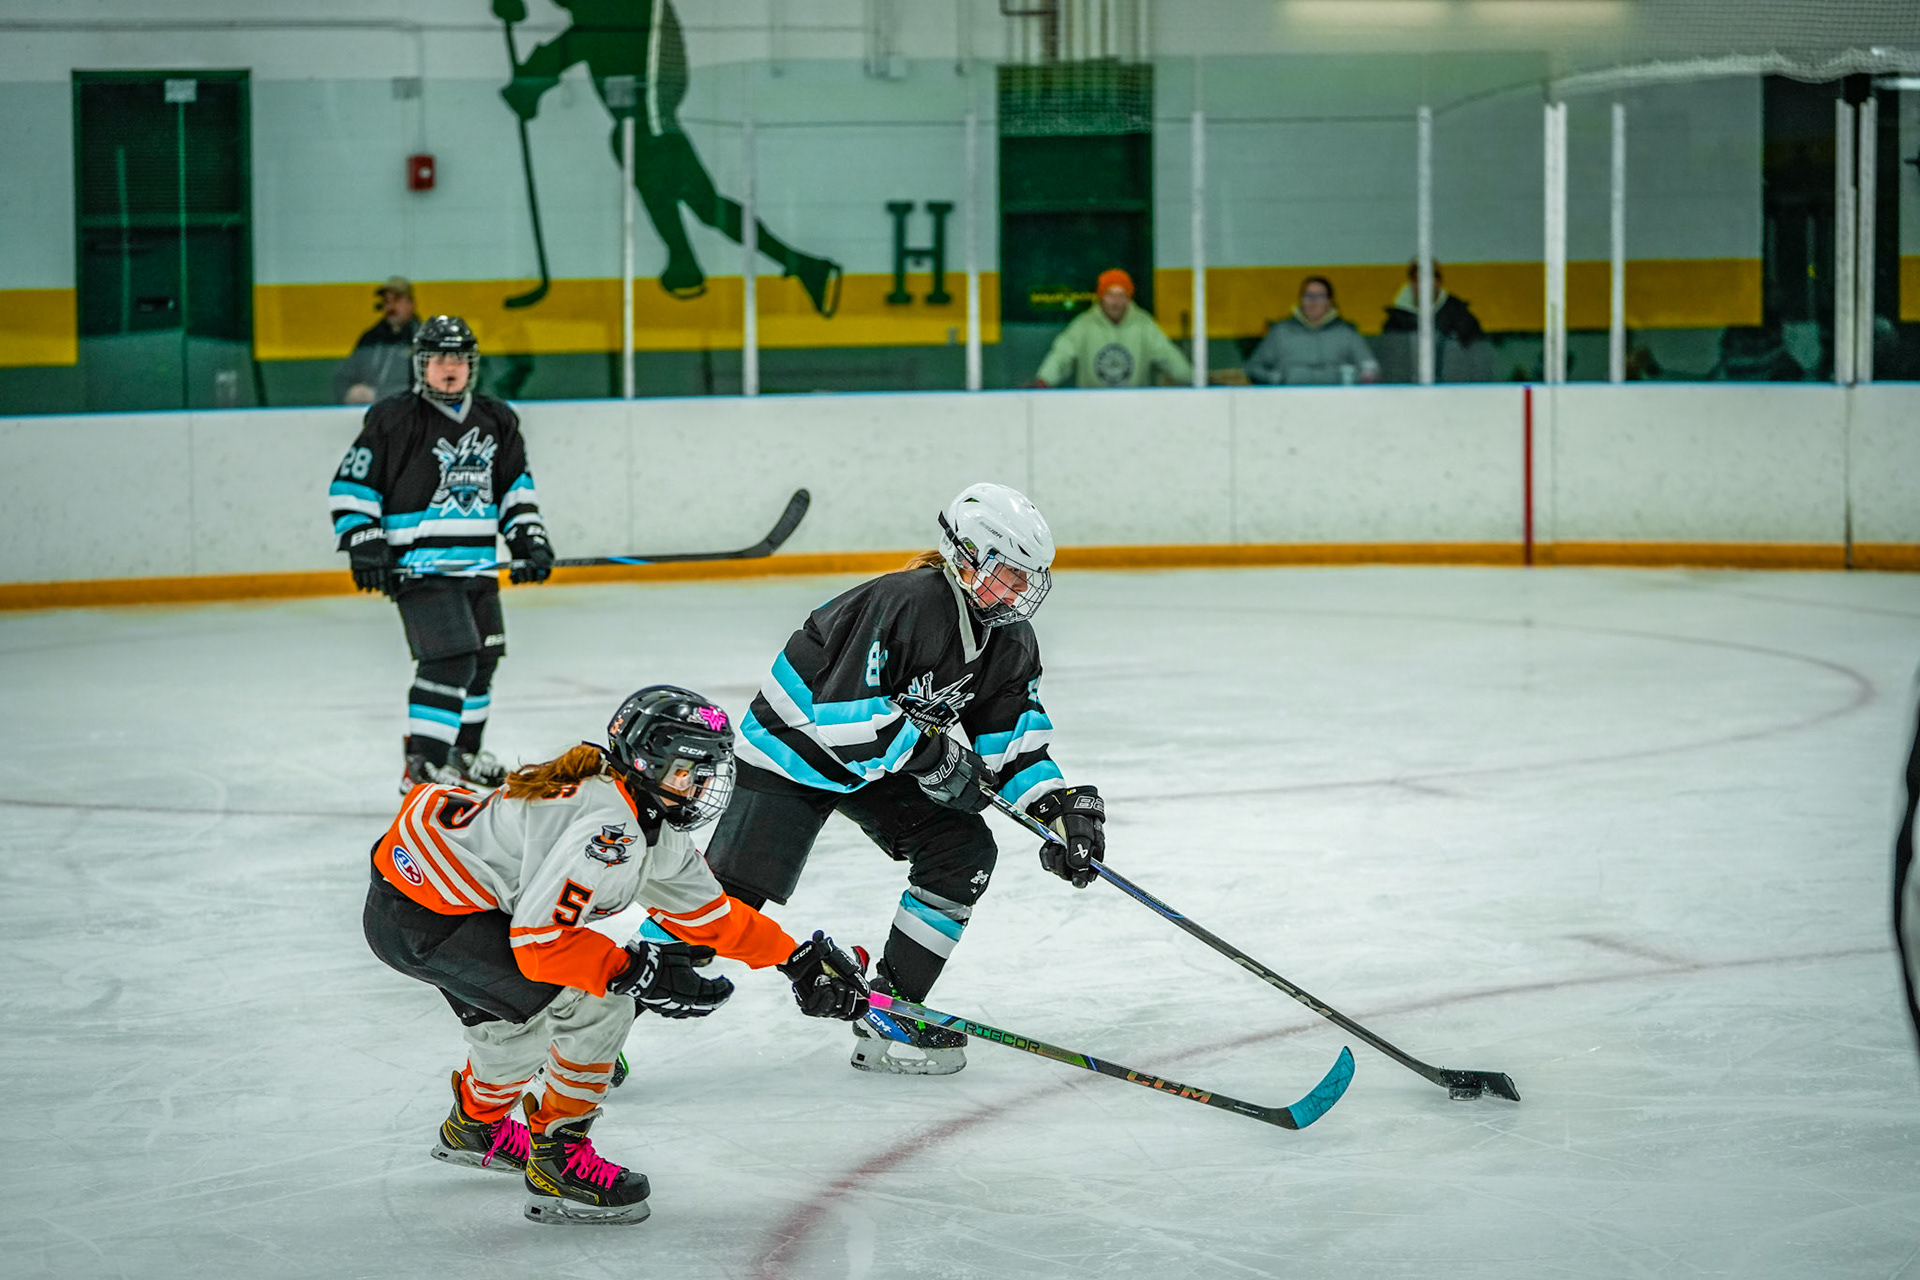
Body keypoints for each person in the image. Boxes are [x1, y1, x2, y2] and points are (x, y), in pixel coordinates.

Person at [363, 685, 872, 1226]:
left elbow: (711, 916)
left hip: (426, 898)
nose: (703, 787)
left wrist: (795, 958)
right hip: (427, 921)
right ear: (650, 762)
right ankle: (559, 1161)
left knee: (516, 1026)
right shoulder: (610, 830)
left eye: (708, 773)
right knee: (599, 1005)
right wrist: (633, 971)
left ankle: (474, 1127)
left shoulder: (639, 811)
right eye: (690, 772)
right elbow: (540, 944)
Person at [703, 483, 1108, 1076]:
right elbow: (846, 720)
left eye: (1028, 578)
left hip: (882, 759)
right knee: (719, 909)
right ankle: (591, 1018)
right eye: (1008, 573)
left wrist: (1057, 810)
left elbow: (1011, 742)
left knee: (961, 850)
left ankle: (891, 1009)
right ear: (965, 556)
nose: (1019, 591)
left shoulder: (1009, 637)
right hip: (792, 753)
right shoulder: (908, 602)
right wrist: (935, 759)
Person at [327, 314, 558, 793]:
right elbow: (351, 487)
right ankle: (424, 762)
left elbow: (515, 489)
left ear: (471, 364)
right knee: (450, 660)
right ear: (421, 364)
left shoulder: (497, 420)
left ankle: (463, 753)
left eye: (458, 358)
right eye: (438, 359)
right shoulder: (393, 419)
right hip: (419, 568)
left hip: (478, 565)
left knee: (484, 658)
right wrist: (365, 542)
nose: (449, 368)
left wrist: (528, 539)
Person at [495, 0, 841, 316]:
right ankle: (789, 264)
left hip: (649, 116)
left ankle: (690, 259)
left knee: (668, 176)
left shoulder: (612, 12)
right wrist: (529, 80)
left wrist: (529, 81)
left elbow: (576, 43)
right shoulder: (604, 19)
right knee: (701, 202)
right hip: (649, 118)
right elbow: (577, 43)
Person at [1031, 268, 1194, 388]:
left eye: (1121, 295)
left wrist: (1193, 378)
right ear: (1101, 297)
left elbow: (1169, 356)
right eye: (1110, 295)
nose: (1116, 302)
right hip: (1091, 405)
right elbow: (1061, 356)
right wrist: (1044, 380)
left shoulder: (1144, 325)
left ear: (1129, 298)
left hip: (1135, 405)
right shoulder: (1083, 325)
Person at [1244, 276, 1380, 386]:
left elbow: (1369, 368)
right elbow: (1253, 367)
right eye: (1307, 296)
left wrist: (1351, 378)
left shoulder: (1347, 332)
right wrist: (1275, 378)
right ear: (1300, 299)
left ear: (1329, 301)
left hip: (1337, 402)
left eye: (1320, 296)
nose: (1313, 302)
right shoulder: (1280, 332)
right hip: (1288, 401)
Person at [1376, 261, 1492, 383]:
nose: (1423, 286)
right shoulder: (1396, 320)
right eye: (1418, 280)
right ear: (1412, 284)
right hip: (1408, 390)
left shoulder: (1459, 315)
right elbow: (1387, 361)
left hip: (1455, 389)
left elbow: (1480, 356)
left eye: (1429, 280)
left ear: (1438, 283)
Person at [334, 276, 421, 404]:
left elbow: (422, 388)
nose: (391, 307)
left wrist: (379, 395)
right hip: (366, 411)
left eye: (397, 300)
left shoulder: (421, 339)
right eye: (386, 301)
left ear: (411, 304)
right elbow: (342, 378)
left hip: (406, 412)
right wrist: (348, 392)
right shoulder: (370, 338)